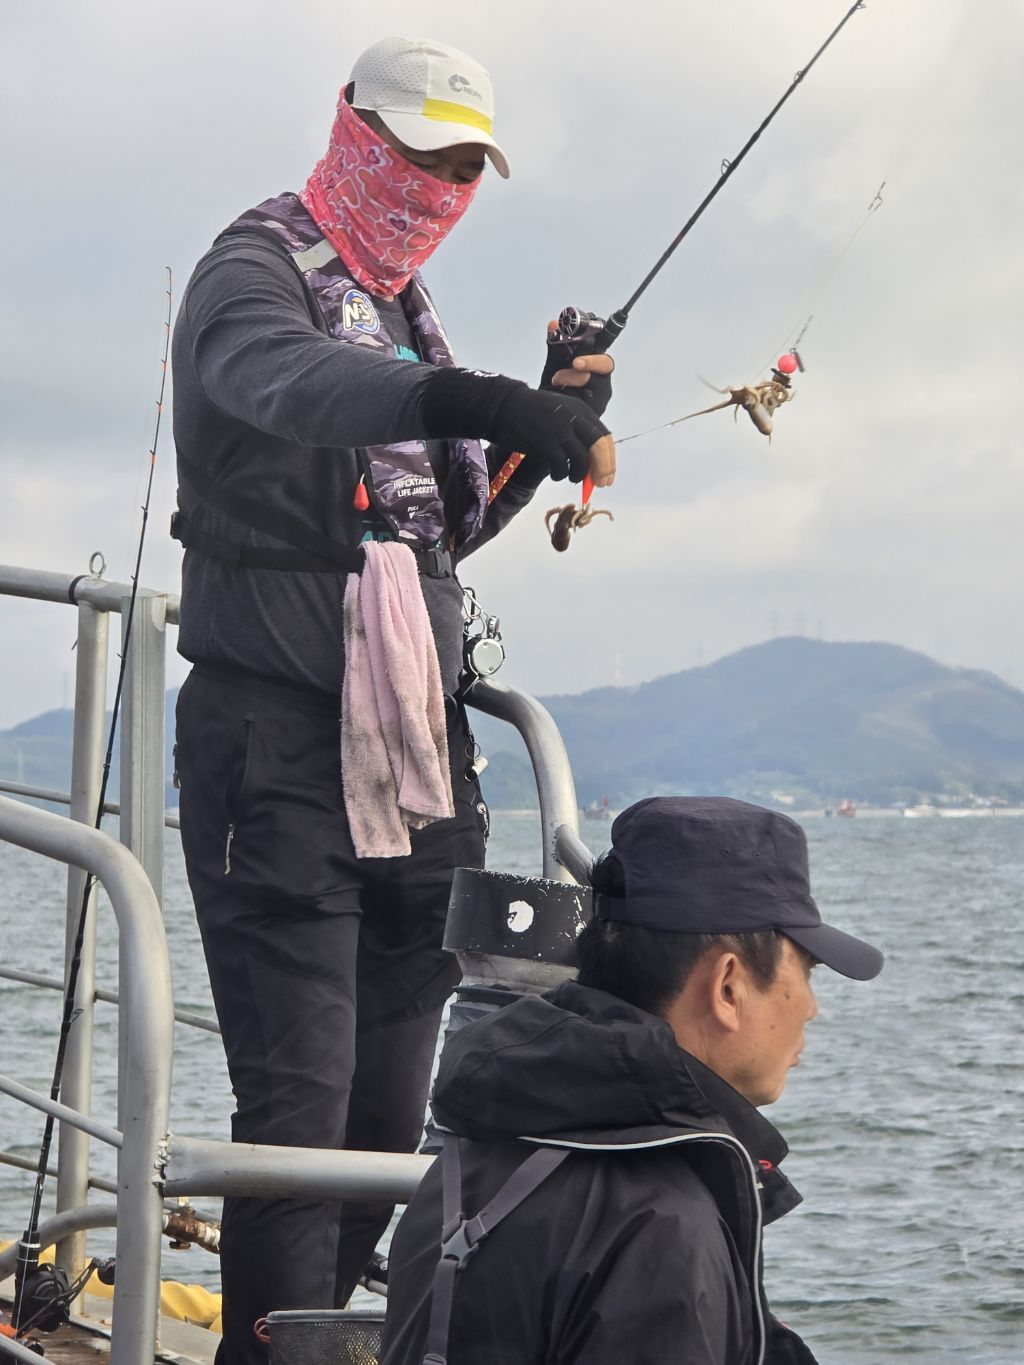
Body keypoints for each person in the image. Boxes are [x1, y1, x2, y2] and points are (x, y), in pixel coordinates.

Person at [170, 34, 616, 1365]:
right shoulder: (254, 271)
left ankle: (317, 1339)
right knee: (298, 1114)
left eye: (466, 166)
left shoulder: (405, 307)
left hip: (417, 760)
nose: (440, 184)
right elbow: (286, 381)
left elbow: (428, 538)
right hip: (274, 752)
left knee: (384, 1116)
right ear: (352, 129)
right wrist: (472, 395)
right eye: (421, 152)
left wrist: (532, 422)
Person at [380, 797, 885, 1365]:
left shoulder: (473, 1152)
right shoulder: (662, 1224)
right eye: (807, 972)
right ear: (728, 986)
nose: (812, 1008)